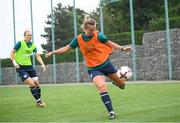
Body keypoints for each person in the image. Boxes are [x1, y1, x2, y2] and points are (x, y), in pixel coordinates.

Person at [45, 15, 131, 119]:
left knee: (122, 85)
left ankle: (117, 83)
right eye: (91, 30)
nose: (93, 31)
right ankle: (111, 112)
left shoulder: (98, 35)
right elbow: (66, 48)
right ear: (85, 29)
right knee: (101, 87)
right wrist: (53, 52)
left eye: (95, 29)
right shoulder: (79, 39)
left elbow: (110, 43)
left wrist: (122, 48)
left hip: (106, 65)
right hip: (93, 68)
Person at [10, 29, 47, 107]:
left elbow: (37, 56)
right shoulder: (20, 43)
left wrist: (43, 64)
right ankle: (39, 101)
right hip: (21, 67)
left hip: (29, 67)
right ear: (25, 36)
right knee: (31, 83)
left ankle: (38, 101)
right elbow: (12, 53)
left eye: (31, 35)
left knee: (37, 84)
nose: (30, 37)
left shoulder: (32, 45)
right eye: (28, 35)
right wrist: (15, 63)